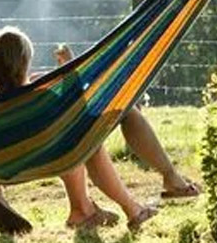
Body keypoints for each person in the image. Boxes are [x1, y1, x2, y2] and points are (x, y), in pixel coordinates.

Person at [0, 19, 155, 234]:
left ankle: (83, 208)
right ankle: (111, 209)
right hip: (19, 156)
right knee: (78, 136)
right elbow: (68, 105)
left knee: (71, 136)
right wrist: (69, 74)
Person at [0, 26, 158, 232]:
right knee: (83, 142)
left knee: (71, 142)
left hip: (2, 166)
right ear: (23, 63)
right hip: (45, 159)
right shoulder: (37, 96)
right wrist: (70, 73)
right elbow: (75, 112)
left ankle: (85, 209)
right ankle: (126, 209)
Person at [54, 43, 201, 199]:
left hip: (45, 128)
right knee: (121, 114)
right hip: (55, 128)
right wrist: (70, 75)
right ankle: (166, 181)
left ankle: (89, 207)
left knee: (117, 114)